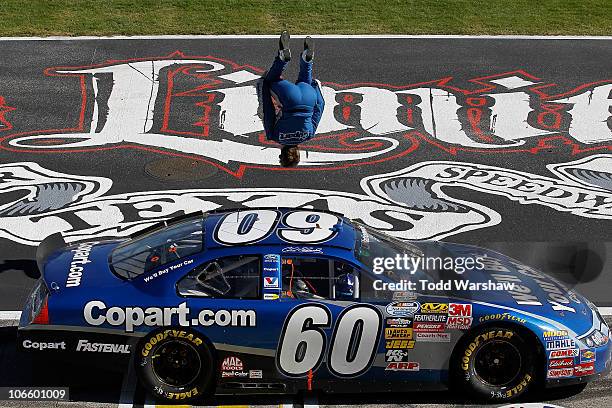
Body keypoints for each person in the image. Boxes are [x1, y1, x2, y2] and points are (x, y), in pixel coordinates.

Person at [261, 31, 325, 167]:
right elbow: (268, 111)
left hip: (309, 98)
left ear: (298, 152)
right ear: (281, 154)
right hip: (290, 99)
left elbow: (319, 108)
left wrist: (316, 88)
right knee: (270, 79)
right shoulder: (274, 136)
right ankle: (282, 58)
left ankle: (307, 59)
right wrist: (265, 88)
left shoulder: (309, 135)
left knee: (305, 80)